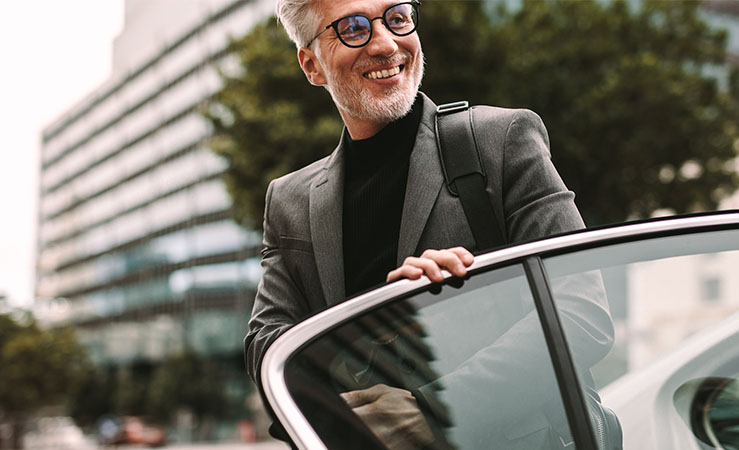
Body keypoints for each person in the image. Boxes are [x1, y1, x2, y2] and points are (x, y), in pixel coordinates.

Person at [244, 0, 613, 447]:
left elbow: (581, 314)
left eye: (397, 17)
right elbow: (268, 350)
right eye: (352, 28)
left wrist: (438, 410)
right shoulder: (288, 200)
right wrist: (372, 323)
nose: (385, 43)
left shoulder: (500, 140)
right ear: (311, 65)